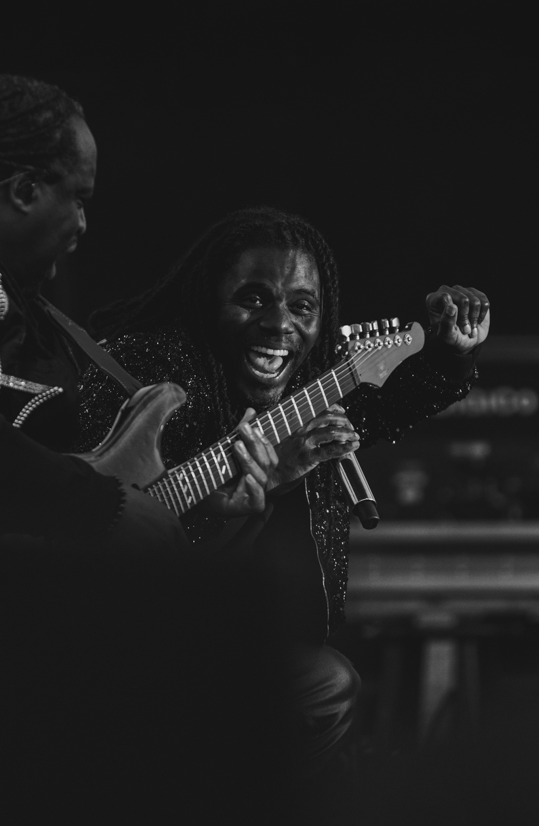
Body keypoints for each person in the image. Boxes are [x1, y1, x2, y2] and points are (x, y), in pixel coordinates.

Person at [73, 205, 489, 809]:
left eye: (302, 306)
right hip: (120, 639)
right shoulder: (138, 370)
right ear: (208, 298)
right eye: (253, 298)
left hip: (230, 642)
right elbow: (88, 529)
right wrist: (250, 495)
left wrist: (450, 354)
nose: (279, 325)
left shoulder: (311, 386)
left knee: (326, 685)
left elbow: (393, 401)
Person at [0, 74, 273, 552]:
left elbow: (23, 465)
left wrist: (182, 492)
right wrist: (102, 507)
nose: (82, 224)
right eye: (78, 198)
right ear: (24, 189)